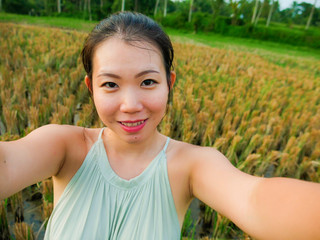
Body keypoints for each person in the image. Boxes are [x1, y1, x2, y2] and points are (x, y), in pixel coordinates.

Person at [0, 11, 319, 240]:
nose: (130, 104)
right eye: (110, 84)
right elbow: (9, 160)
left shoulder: (193, 165)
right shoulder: (64, 147)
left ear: (169, 84)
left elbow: (255, 199)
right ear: (90, 88)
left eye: (148, 82)